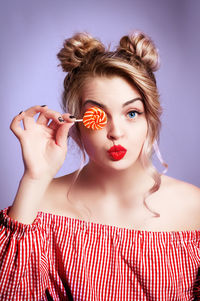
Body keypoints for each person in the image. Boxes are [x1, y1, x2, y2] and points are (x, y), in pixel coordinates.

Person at [0, 31, 200, 300]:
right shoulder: (38, 205)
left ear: (150, 118)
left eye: (132, 113)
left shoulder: (194, 209)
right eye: (98, 116)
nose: (116, 131)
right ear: (76, 126)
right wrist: (34, 179)